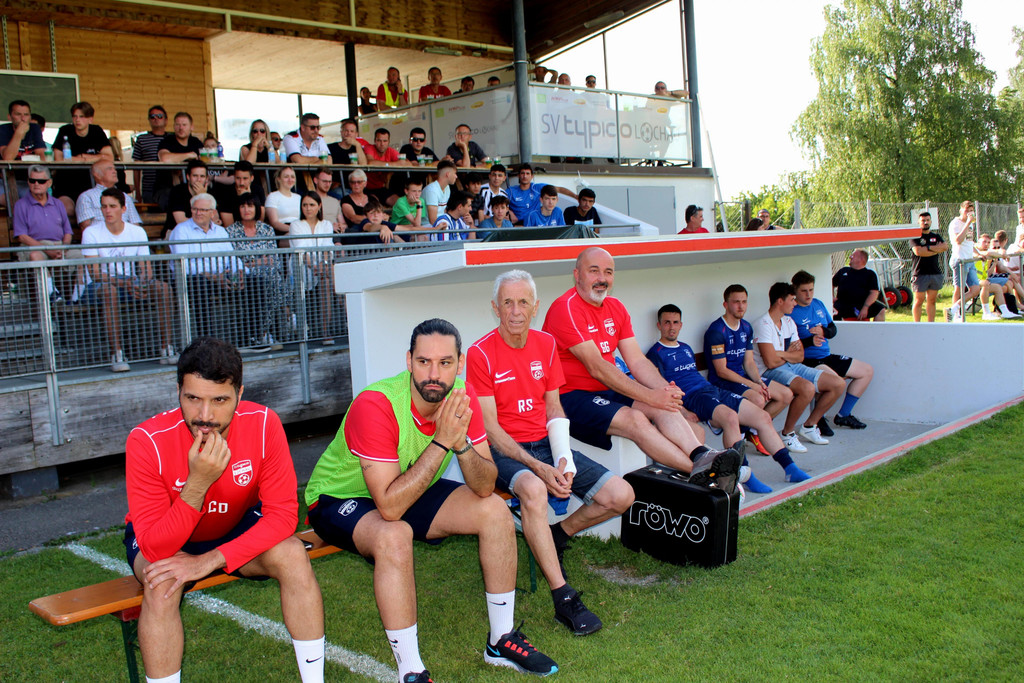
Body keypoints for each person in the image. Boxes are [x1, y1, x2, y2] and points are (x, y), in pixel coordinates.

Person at [305, 318, 559, 681]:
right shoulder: (376, 404)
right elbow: (390, 508)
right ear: (409, 361)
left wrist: (462, 444)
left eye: (445, 363)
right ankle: (411, 670)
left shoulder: (461, 397)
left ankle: (500, 639)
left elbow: (485, 484)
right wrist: (443, 440)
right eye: (424, 362)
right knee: (393, 535)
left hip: (407, 485)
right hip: (338, 497)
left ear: (460, 364)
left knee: (493, 511)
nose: (433, 374)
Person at [125, 337, 325, 683]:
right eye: (193, 399)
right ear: (178, 392)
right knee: (162, 585)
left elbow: (283, 516)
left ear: (239, 394)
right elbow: (155, 548)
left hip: (234, 527)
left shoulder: (264, 424)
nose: (205, 416)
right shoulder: (146, 441)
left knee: (293, 554)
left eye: (219, 400)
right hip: (167, 537)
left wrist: (211, 559)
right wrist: (197, 485)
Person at [468, 270, 633, 635]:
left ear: (535, 306)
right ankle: (564, 597)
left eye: (523, 302)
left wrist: (563, 460)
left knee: (621, 495)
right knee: (535, 489)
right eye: (507, 302)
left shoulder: (545, 344)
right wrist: (539, 468)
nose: (515, 311)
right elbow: (491, 429)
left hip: (545, 444)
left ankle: (557, 536)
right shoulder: (479, 353)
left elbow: (554, 408)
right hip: (504, 451)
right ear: (495, 308)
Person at [541, 247, 740, 489]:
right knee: (636, 418)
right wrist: (651, 395)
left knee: (663, 405)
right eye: (594, 271)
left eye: (608, 272)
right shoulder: (566, 308)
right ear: (577, 274)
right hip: (571, 396)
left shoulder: (615, 307)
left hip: (608, 387)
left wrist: (665, 391)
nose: (602, 278)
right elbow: (597, 368)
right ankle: (707, 472)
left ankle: (701, 455)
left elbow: (636, 360)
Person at [647, 304, 805, 493]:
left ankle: (790, 468)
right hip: (694, 398)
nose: (671, 327)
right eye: (666, 323)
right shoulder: (655, 353)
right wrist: (684, 411)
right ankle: (744, 475)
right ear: (659, 325)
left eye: (675, 322)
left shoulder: (686, 348)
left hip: (711, 389)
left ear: (681, 325)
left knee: (761, 417)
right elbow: (659, 387)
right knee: (730, 418)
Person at [81, 189, 176, 371]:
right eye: (104, 207)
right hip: (99, 285)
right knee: (110, 291)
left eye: (112, 206)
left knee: (163, 288)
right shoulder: (91, 232)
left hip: (129, 281)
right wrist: (127, 283)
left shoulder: (137, 231)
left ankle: (167, 348)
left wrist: (141, 283)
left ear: (123, 208)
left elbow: (146, 269)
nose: (107, 211)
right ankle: (117, 353)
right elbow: (94, 273)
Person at [753, 282, 845, 453]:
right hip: (769, 372)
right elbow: (770, 363)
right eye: (792, 299)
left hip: (792, 365)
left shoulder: (788, 321)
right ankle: (788, 434)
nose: (795, 303)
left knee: (838, 384)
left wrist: (781, 353)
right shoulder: (762, 323)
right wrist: (787, 354)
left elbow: (800, 356)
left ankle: (809, 426)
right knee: (807, 389)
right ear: (780, 301)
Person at [704, 284, 795, 456]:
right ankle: (743, 434)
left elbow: (749, 361)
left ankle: (753, 431)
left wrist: (759, 381)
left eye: (744, 302)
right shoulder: (716, 330)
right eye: (736, 302)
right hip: (723, 382)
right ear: (726, 304)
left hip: (742, 377)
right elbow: (721, 371)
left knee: (786, 394)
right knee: (758, 399)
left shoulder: (746, 327)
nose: (741, 306)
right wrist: (752, 386)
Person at [791, 270, 875, 431]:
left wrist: (824, 332)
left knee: (866, 371)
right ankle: (816, 419)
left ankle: (844, 415)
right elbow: (788, 344)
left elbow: (832, 329)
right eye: (804, 291)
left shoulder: (818, 304)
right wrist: (809, 341)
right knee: (836, 381)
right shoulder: (791, 311)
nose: (808, 294)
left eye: (811, 290)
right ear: (795, 290)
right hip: (808, 361)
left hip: (826, 356)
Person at [169, 194, 244, 338]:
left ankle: (251, 337)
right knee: (200, 284)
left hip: (221, 277)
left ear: (212, 212)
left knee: (255, 281)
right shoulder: (181, 230)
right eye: (195, 209)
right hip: (191, 280)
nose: (198, 213)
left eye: (203, 210)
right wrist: (213, 276)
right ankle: (206, 340)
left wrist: (239, 271)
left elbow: (232, 257)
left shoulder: (221, 231)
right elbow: (183, 265)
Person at [227, 193, 285, 348]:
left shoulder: (267, 230)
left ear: (257, 208)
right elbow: (235, 262)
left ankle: (262, 332)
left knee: (273, 278)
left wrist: (251, 262)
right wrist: (258, 261)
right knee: (273, 280)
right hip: (241, 276)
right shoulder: (230, 232)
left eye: (250, 206)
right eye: (243, 206)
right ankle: (275, 325)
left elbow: (274, 260)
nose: (246, 209)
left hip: (266, 275)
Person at [12, 165, 74, 302]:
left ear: (49, 183)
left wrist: (63, 248)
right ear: (28, 182)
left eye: (41, 181)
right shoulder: (21, 205)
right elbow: (22, 236)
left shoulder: (58, 203)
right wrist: (47, 249)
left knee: (84, 255)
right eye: (32, 180)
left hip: (59, 246)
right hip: (35, 247)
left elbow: (68, 232)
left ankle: (79, 296)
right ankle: (51, 293)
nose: (36, 184)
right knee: (36, 255)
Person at [52, 101, 114, 219]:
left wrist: (82, 158)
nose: (77, 120)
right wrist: (95, 157)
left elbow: (109, 157)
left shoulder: (96, 131)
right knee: (66, 210)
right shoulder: (65, 131)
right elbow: (59, 159)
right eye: (74, 116)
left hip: (90, 184)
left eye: (81, 116)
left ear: (90, 119)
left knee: (96, 211)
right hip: (66, 183)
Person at [289, 192, 336, 344]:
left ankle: (325, 331)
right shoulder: (296, 225)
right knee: (331, 277)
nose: (308, 208)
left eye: (311, 205)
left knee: (328, 280)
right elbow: (301, 251)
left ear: (319, 206)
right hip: (301, 267)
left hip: (322, 268)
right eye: (305, 205)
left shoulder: (326, 224)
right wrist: (315, 267)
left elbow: (327, 250)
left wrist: (324, 265)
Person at [75, 159, 142, 230]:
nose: (115, 171)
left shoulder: (125, 197)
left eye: (114, 169)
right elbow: (86, 228)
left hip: (125, 239)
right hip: (100, 239)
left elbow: (135, 225)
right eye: (110, 169)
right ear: (97, 175)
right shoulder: (86, 197)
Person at [908, 211, 948, 322]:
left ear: (931, 221)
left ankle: (931, 324)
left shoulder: (936, 236)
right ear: (919, 222)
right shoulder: (915, 237)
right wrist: (934, 249)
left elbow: (944, 247)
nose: (925, 222)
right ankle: (917, 324)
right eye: (923, 220)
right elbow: (918, 251)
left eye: (927, 220)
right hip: (920, 273)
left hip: (935, 272)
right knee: (918, 300)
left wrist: (927, 248)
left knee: (932, 300)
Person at [156, 111, 204, 201]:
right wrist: (189, 155)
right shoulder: (167, 141)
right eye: (178, 125)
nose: (181, 128)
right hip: (167, 189)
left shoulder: (195, 142)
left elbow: (204, 160)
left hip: (193, 186)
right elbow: (164, 158)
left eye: (184, 125)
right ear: (174, 127)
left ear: (191, 127)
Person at [973, 233, 1022, 320]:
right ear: (978, 243)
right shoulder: (977, 252)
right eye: (984, 242)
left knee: (1001, 286)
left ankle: (1006, 311)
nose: (986, 244)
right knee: (1004, 282)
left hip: (985, 280)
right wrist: (1002, 254)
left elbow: (996, 269)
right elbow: (988, 255)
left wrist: (1001, 255)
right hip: (975, 282)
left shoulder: (990, 255)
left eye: (988, 242)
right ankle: (987, 313)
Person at [507, 163, 577, 224]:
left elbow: (559, 189)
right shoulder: (511, 191)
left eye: (527, 173)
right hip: (517, 223)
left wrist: (576, 196)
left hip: (535, 222)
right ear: (518, 176)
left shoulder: (537, 187)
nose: (525, 176)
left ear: (532, 176)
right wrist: (509, 211)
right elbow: (498, 202)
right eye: (522, 173)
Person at [947, 200, 981, 323]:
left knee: (975, 289)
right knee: (959, 288)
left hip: (969, 259)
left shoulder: (970, 225)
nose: (969, 213)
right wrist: (967, 223)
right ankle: (955, 315)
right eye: (967, 210)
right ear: (961, 210)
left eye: (971, 210)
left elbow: (969, 242)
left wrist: (978, 253)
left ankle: (954, 307)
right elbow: (958, 240)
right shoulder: (956, 223)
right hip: (959, 259)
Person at [130, 105, 169, 204]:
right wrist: (138, 193)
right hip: (149, 188)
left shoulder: (172, 139)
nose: (156, 119)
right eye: (152, 116)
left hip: (169, 187)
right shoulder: (142, 139)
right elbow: (136, 168)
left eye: (159, 116)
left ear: (166, 120)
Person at [164, 159, 213, 236]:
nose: (198, 180)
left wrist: (203, 196)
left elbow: (215, 219)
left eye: (202, 176)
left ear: (207, 179)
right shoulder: (177, 191)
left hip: (203, 231)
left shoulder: (210, 192)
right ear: (188, 177)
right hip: (177, 232)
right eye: (195, 176)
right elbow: (180, 221)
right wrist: (200, 196)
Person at [833, 249, 885, 321]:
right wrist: (831, 297)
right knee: (833, 310)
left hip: (861, 304)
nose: (850, 257)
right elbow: (831, 284)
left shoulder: (870, 274)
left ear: (861, 259)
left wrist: (865, 307)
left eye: (853, 256)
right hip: (843, 304)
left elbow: (874, 293)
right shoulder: (843, 271)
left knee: (881, 309)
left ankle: (877, 331)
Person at [215, 160, 266, 228]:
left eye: (245, 179)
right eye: (238, 178)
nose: (241, 183)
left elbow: (260, 218)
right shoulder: (226, 193)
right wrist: (241, 198)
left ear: (252, 178)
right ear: (234, 177)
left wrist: (248, 196)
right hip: (235, 233)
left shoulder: (257, 190)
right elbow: (229, 225)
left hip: (255, 230)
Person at [363, 127, 407, 203]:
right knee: (375, 206)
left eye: (385, 141)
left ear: (389, 142)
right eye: (379, 140)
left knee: (400, 203)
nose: (382, 144)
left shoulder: (391, 151)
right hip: (366, 189)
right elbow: (370, 162)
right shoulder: (369, 148)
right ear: (374, 141)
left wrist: (389, 167)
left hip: (381, 189)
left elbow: (406, 163)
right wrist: (392, 164)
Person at [327, 118, 368, 190]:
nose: (349, 133)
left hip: (355, 186)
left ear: (356, 134)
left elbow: (363, 165)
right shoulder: (331, 147)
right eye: (346, 130)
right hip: (337, 186)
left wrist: (358, 145)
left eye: (352, 131)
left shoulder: (358, 148)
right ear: (341, 132)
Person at [265, 166, 301, 237]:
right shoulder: (273, 196)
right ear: (279, 179)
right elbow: (274, 222)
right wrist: (293, 229)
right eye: (286, 177)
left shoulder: (299, 197)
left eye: (292, 177)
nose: (290, 179)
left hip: (299, 229)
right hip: (281, 232)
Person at [422, 160, 457, 225]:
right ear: (448, 174)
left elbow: (443, 211)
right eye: (455, 173)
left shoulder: (447, 188)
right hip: (427, 226)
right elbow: (432, 220)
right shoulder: (432, 190)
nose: (456, 176)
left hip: (440, 224)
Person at [311, 169, 343, 233]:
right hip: (320, 233)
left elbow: (342, 222)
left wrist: (342, 226)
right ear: (315, 180)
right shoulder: (310, 200)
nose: (327, 184)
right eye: (324, 181)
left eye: (330, 182)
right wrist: (330, 227)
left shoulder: (335, 201)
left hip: (337, 233)